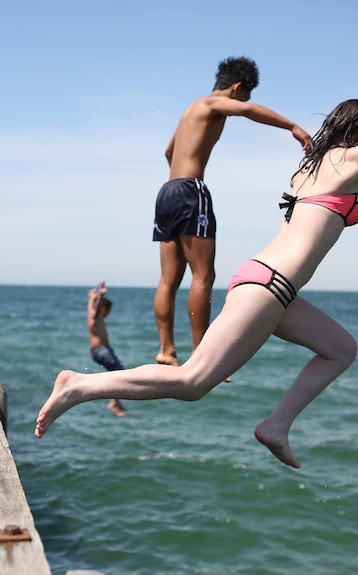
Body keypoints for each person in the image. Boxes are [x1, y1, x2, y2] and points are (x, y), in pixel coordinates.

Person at [36, 99, 358, 469]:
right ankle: (80, 385)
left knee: (341, 349)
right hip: (270, 285)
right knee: (192, 382)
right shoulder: (354, 156)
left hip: (272, 287)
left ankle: (277, 425)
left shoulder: (309, 167)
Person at [152, 56, 313, 368]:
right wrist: (292, 126)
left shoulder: (190, 109)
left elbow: (169, 151)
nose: (244, 101)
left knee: (168, 280)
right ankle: (202, 355)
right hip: (189, 191)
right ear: (238, 87)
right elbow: (247, 111)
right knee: (204, 274)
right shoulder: (213, 104)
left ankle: (166, 350)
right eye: (245, 94)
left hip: (167, 192)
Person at [87, 281, 128, 417]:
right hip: (101, 351)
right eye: (109, 311)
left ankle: (116, 400)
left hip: (103, 350)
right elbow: (97, 309)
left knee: (117, 373)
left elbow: (91, 308)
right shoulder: (97, 316)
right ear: (105, 310)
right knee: (120, 373)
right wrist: (100, 296)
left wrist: (92, 298)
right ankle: (114, 402)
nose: (109, 314)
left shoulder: (92, 315)